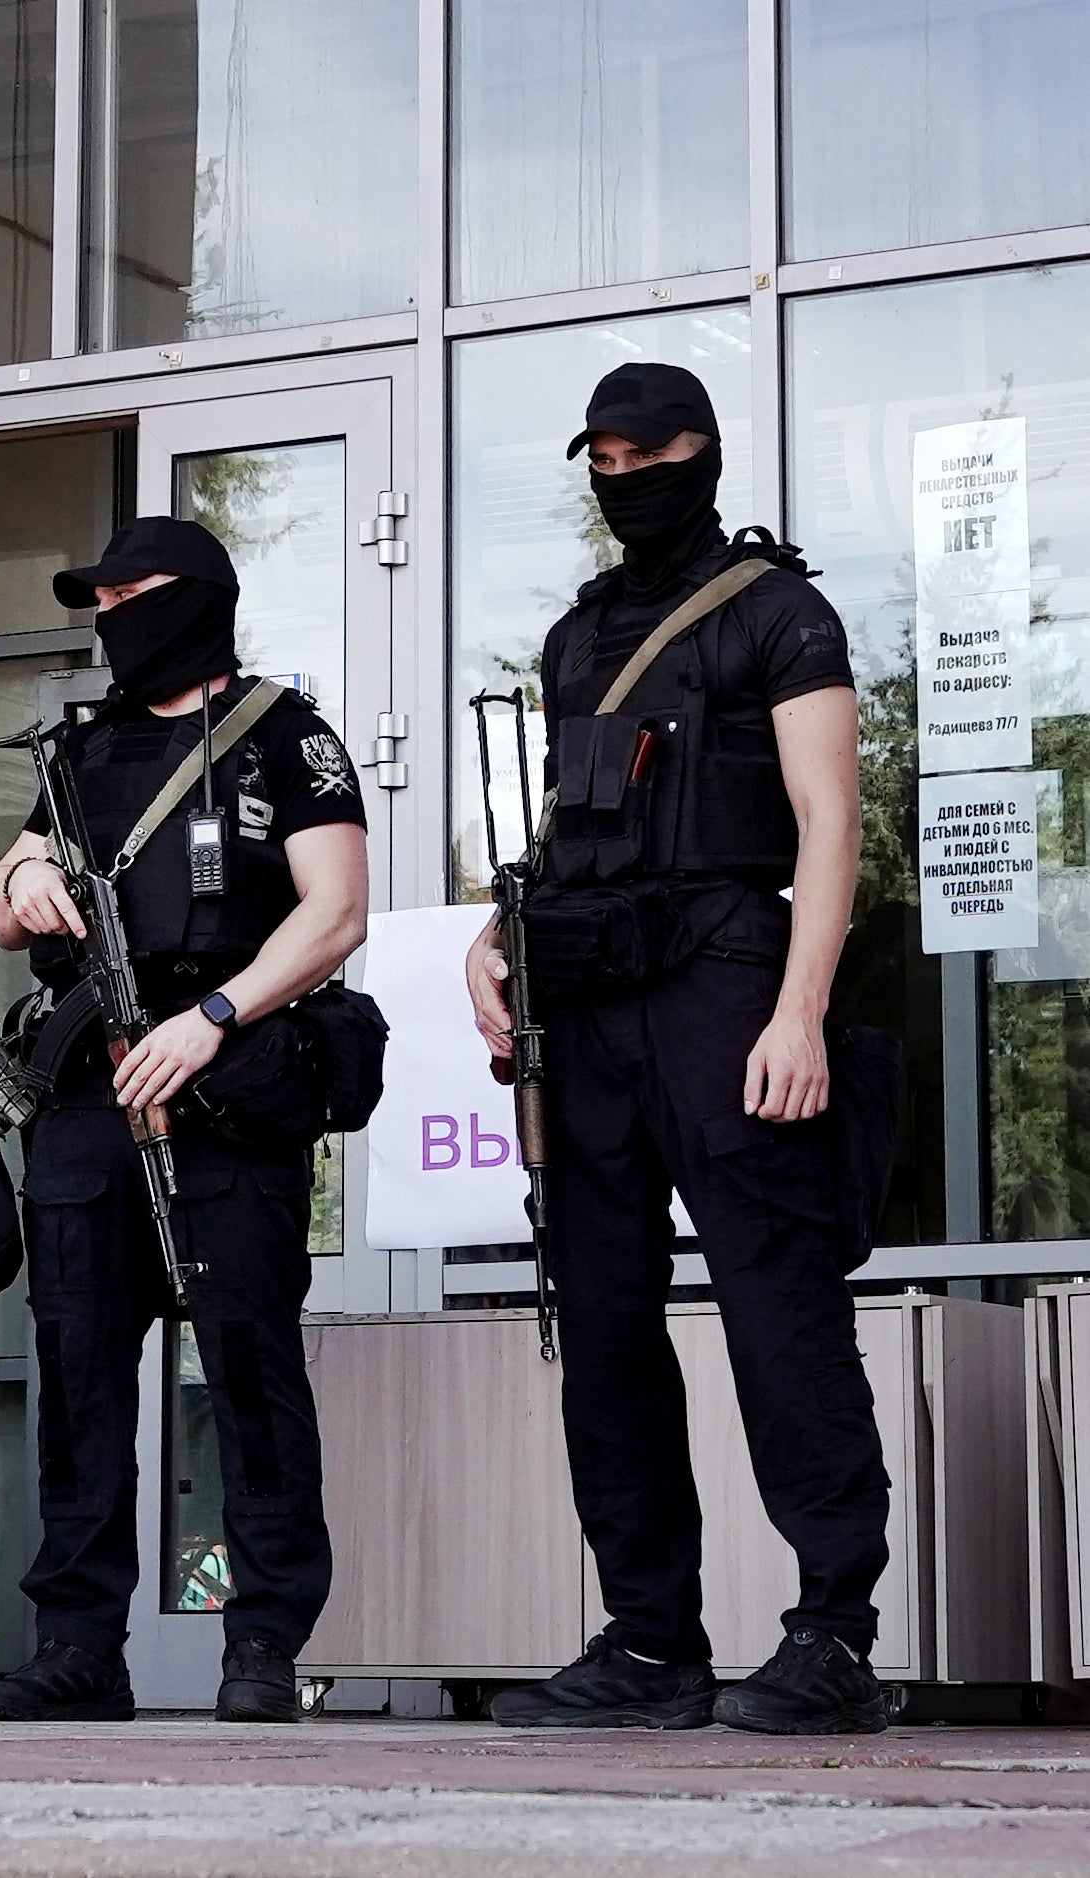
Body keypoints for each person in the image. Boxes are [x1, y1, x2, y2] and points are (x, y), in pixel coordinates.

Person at [466, 362, 888, 1735]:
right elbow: (574, 826)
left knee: (780, 1306)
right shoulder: (578, 636)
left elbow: (830, 821)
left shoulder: (779, 612)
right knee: (600, 1320)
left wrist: (800, 1011)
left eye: (654, 449)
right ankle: (652, 1640)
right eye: (606, 452)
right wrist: (494, 941)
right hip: (584, 1005)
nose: (627, 472)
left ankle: (833, 1630)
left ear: (704, 453)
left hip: (725, 986)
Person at [0, 516, 369, 1725]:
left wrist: (215, 1013)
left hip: (226, 1092)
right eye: (99, 598)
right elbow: (3, 910)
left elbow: (338, 910)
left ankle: (262, 1645)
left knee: (248, 1371)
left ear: (194, 599)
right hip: (92, 1094)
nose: (109, 616)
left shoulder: (285, 735)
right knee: (81, 1375)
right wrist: (20, 880)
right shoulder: (80, 750)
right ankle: (80, 1645)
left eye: (129, 593)